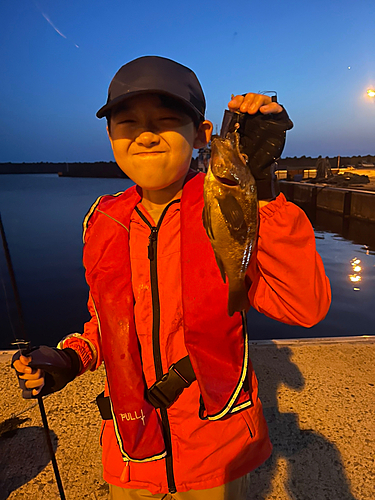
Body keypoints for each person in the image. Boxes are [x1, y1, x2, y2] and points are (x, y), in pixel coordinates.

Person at [12, 56, 331, 499]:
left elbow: (303, 305)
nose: (145, 134)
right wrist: (69, 359)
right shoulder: (101, 221)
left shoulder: (225, 199)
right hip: (130, 449)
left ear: (201, 135)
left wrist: (260, 190)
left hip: (214, 449)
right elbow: (106, 324)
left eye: (165, 121)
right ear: (109, 136)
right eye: (127, 122)